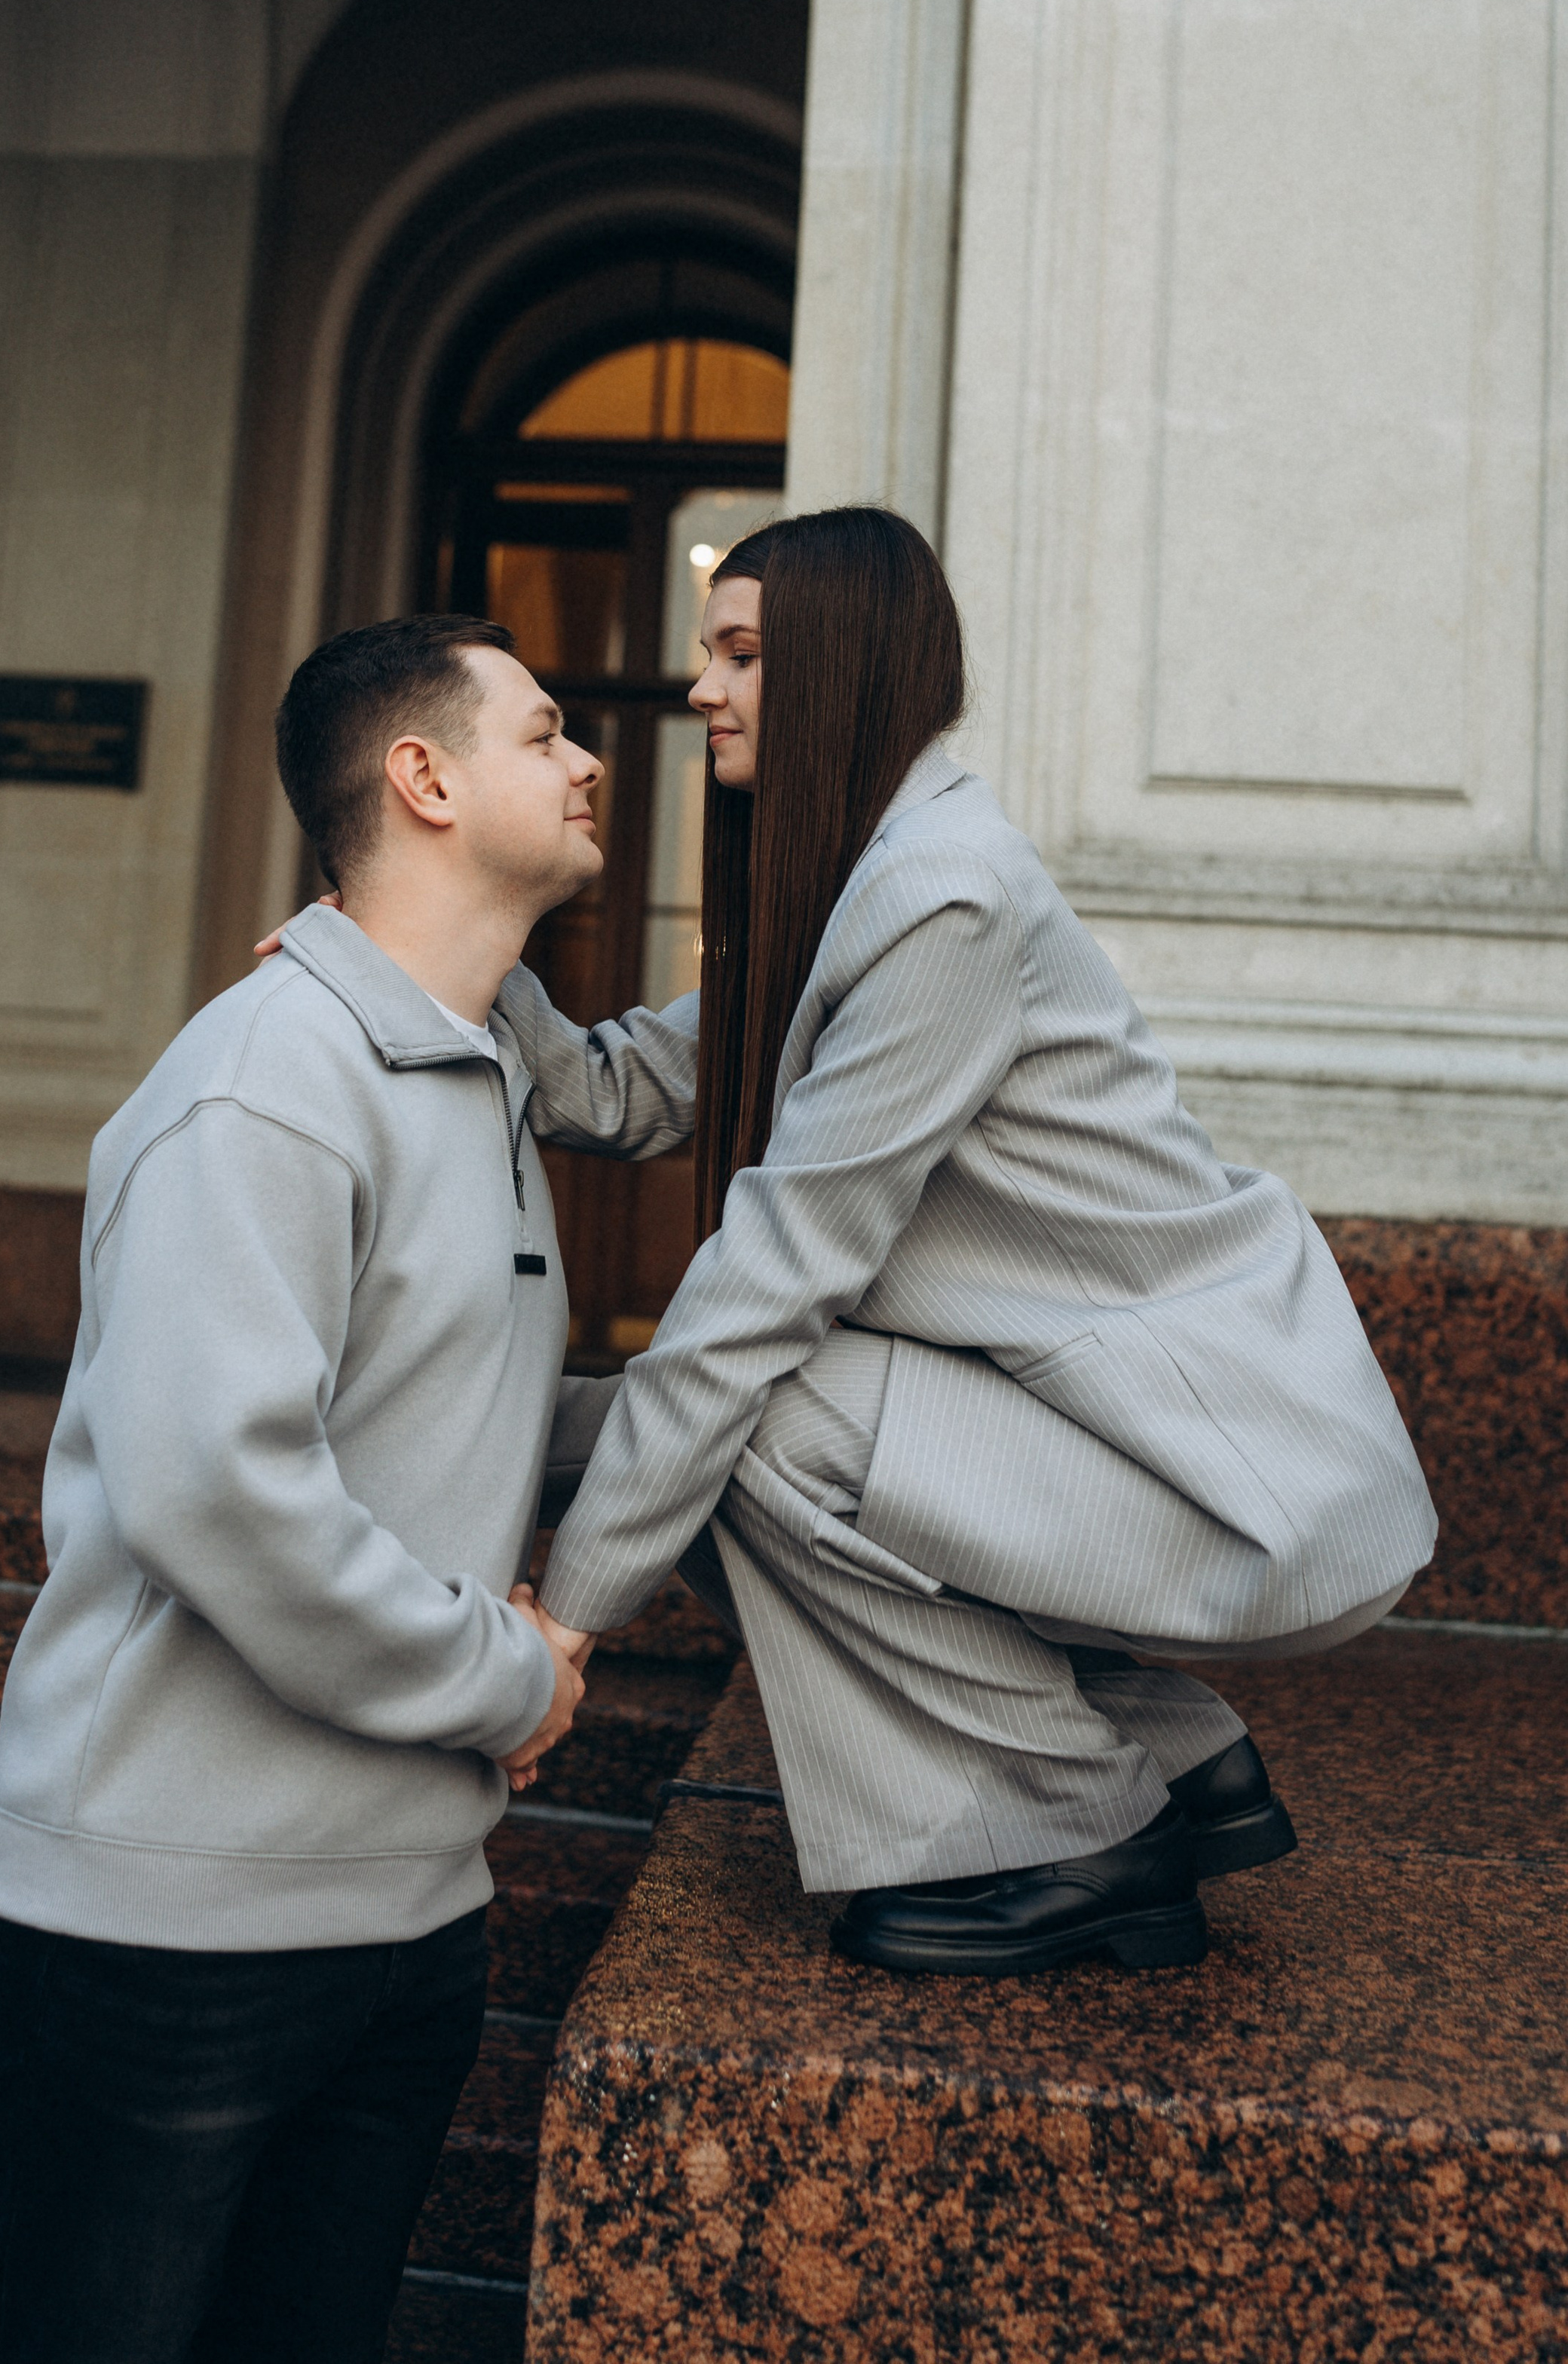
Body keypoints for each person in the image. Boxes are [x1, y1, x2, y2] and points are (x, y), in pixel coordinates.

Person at [494, 507, 1438, 1980]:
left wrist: (566, 1624)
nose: (700, 687)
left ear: (841, 669)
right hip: (1112, 1438)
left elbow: (767, 1285)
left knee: (757, 1419)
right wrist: (430, 930)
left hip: (1233, 1483)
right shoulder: (868, 881)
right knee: (715, 1425)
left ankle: (1077, 1831)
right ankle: (1166, 1755)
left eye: (740, 654)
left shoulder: (943, 900)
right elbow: (615, 1089)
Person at [0, 615, 602, 2364]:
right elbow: (222, 1493)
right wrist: (505, 1678)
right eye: (543, 731)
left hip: (408, 1917)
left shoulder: (473, 1073)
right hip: (169, 1929)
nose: (586, 761)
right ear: (423, 778)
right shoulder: (264, 1082)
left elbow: (457, 1404)